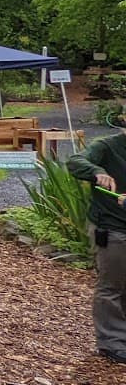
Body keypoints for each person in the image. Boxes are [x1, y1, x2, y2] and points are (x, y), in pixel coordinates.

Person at [66, 126, 126, 365]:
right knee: (112, 285)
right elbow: (75, 161)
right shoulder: (108, 147)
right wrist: (96, 172)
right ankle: (112, 343)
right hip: (112, 228)